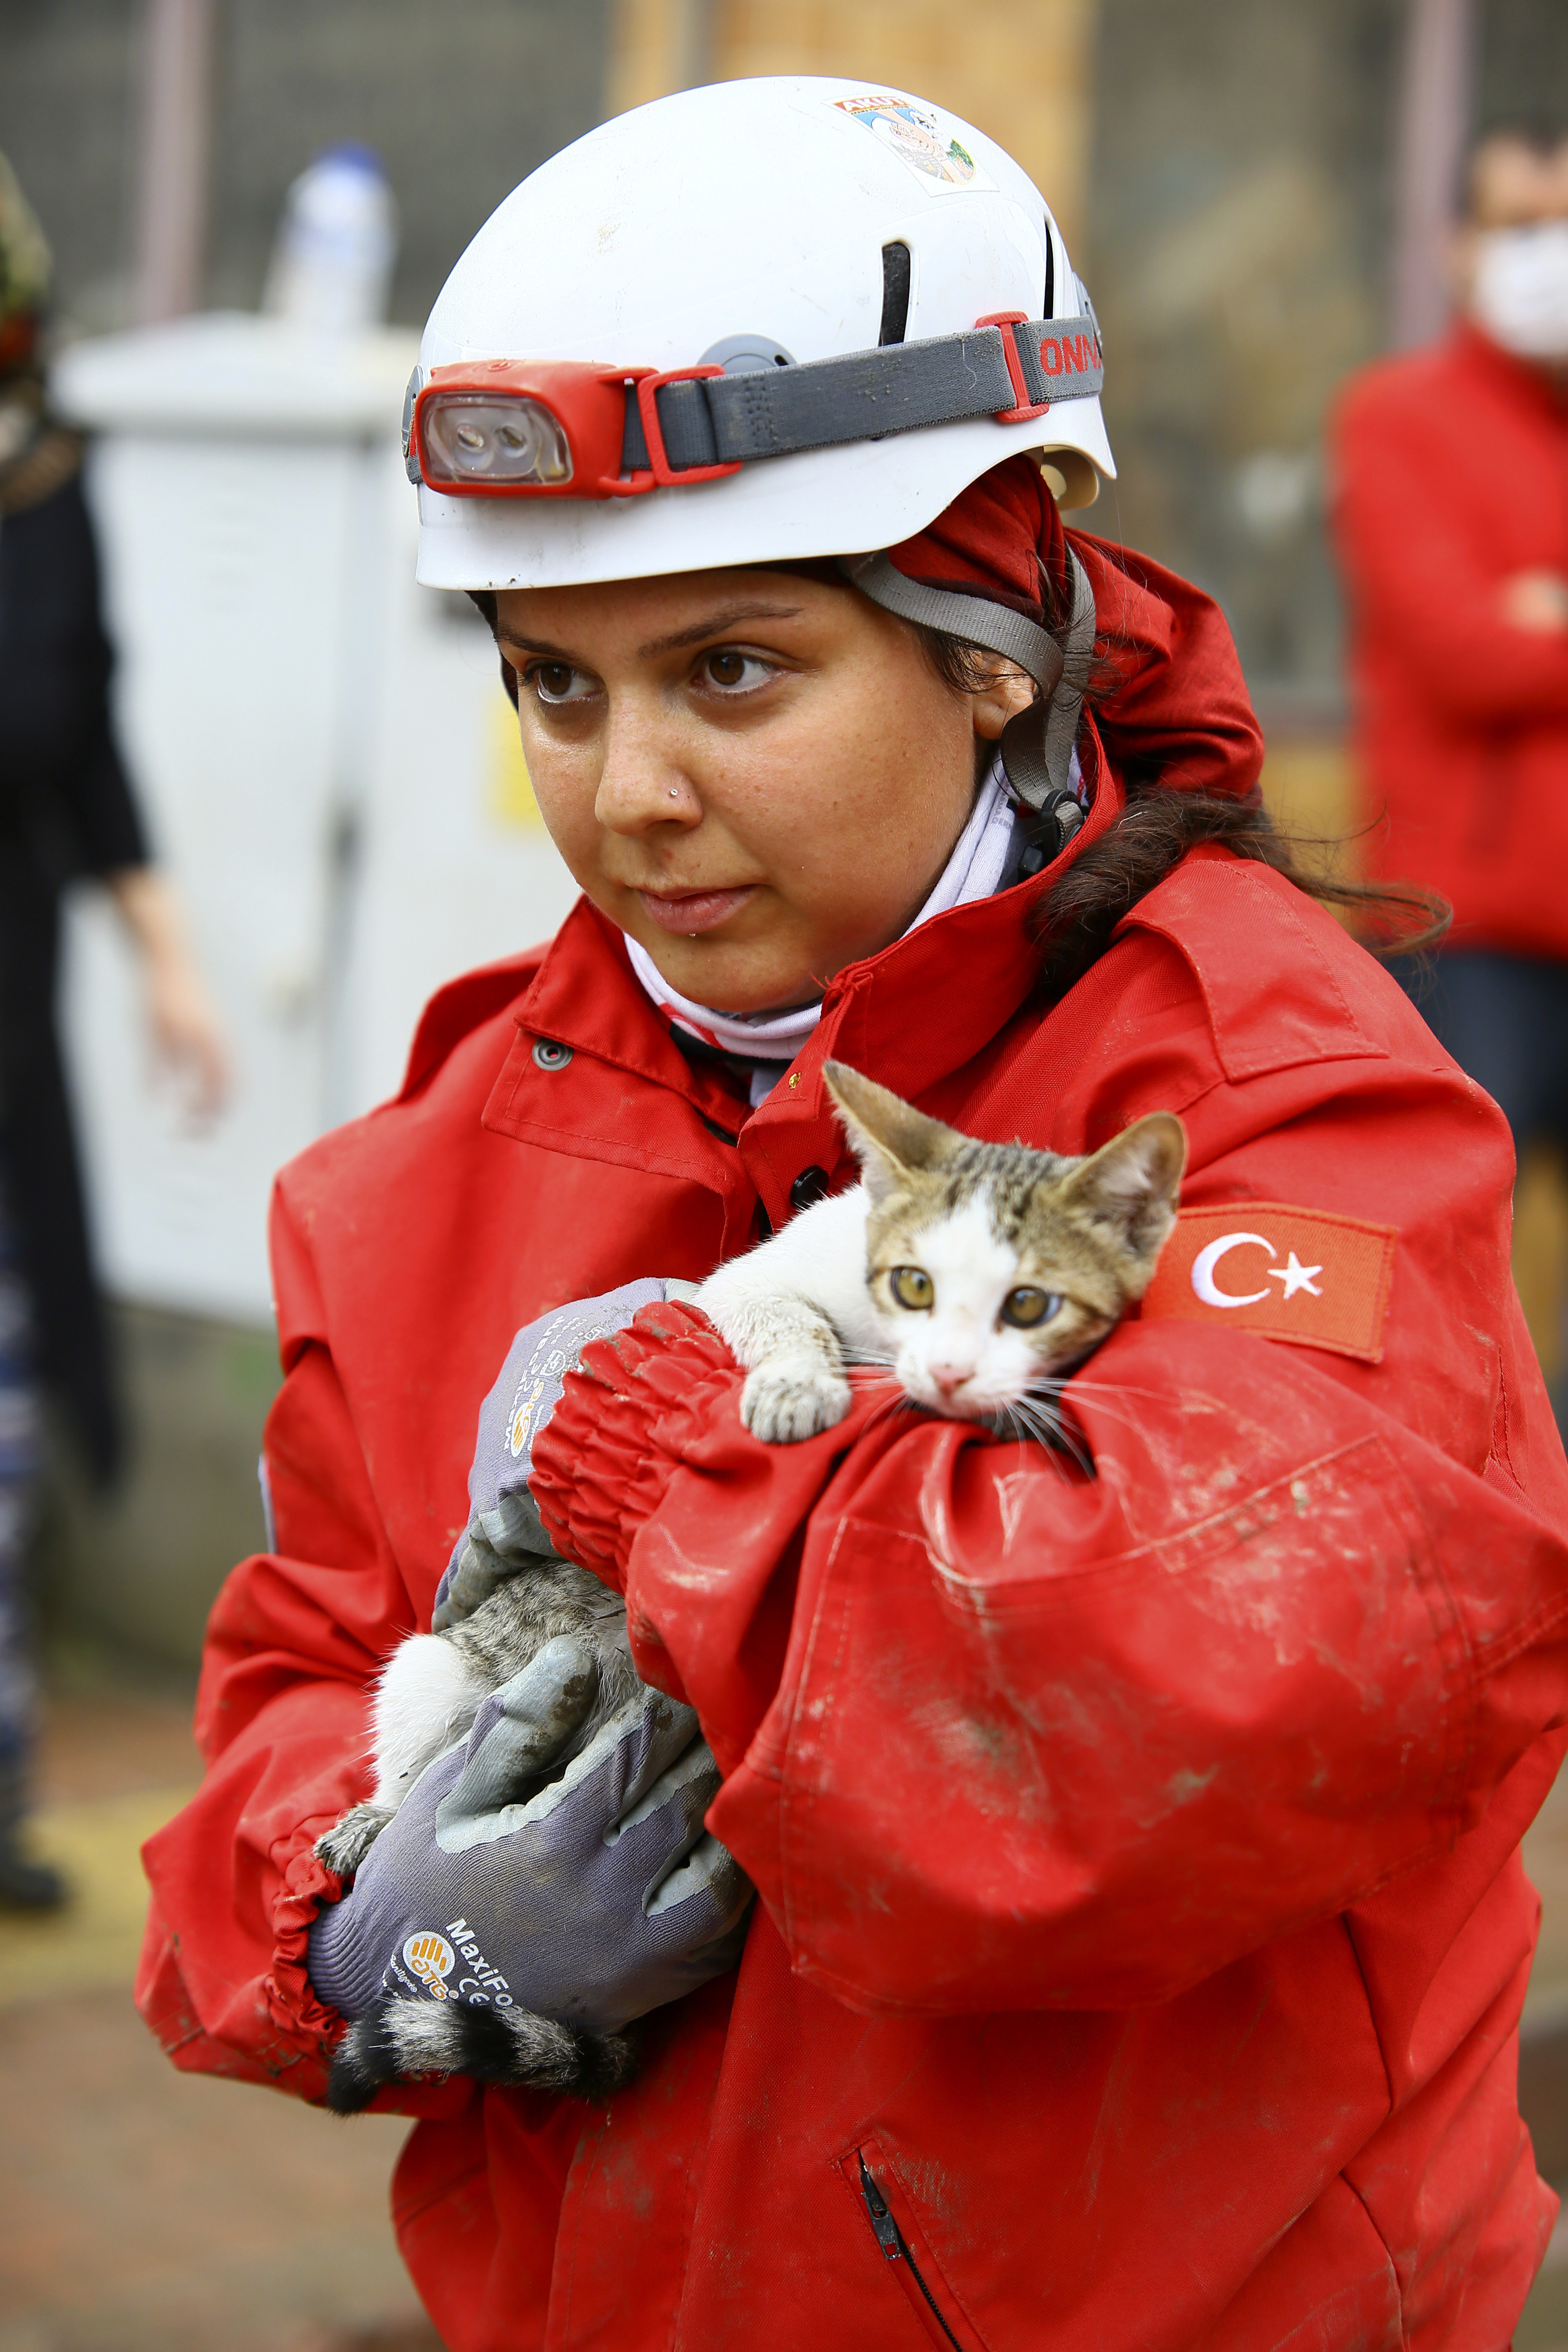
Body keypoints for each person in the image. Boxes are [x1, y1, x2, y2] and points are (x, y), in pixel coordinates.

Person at [137, 80, 1568, 2350]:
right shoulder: (450, 1148)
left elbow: (1165, 1708)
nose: (628, 793)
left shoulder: (1281, 1109)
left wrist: (647, 1450)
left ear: (993, 647)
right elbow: (282, 1705)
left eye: (734, 669)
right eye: (554, 684)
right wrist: (369, 1928)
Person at [0, 150, 228, 1906]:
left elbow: (88, 735)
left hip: (13, 1040)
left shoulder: (50, 483)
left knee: (4, 1429)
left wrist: (167, 959)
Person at [1331, 127, 1568, 1181]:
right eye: (1526, 227)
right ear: (1457, 246)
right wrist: (1503, 625)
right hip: (1462, 933)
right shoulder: (1398, 417)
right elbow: (1462, 654)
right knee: (1456, 1239)